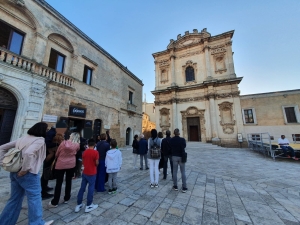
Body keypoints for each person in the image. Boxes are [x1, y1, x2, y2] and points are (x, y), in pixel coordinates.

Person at [0, 122, 54, 225]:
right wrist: (25, 169)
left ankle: (5, 222)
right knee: (35, 198)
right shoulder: (40, 140)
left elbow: (2, 147)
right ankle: (37, 223)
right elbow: (28, 153)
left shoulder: (22, 138)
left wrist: (3, 163)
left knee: (14, 199)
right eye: (46, 129)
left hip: (15, 171)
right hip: (29, 173)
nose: (47, 131)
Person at [49, 132, 80, 207]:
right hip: (71, 164)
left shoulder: (63, 143)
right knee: (68, 181)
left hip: (61, 164)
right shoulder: (77, 145)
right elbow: (76, 152)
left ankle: (55, 201)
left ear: (71, 136)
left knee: (58, 183)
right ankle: (67, 198)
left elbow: (57, 153)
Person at [75, 139, 99, 213]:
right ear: (94, 144)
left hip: (85, 172)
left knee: (82, 188)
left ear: (88, 145)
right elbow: (97, 163)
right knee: (91, 188)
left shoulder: (84, 152)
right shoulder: (96, 152)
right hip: (92, 172)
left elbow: (83, 161)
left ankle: (79, 204)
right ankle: (89, 205)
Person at [41, 132, 64, 200]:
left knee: (46, 173)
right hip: (49, 160)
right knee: (46, 173)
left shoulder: (52, 142)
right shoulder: (53, 146)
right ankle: (43, 191)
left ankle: (44, 187)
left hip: (49, 160)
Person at [170, 128, 188, 193]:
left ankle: (175, 186)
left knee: (174, 171)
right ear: (179, 133)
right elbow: (184, 146)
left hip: (174, 156)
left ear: (174, 133)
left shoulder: (171, 140)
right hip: (181, 157)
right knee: (183, 172)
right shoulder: (182, 140)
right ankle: (184, 187)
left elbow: (170, 147)